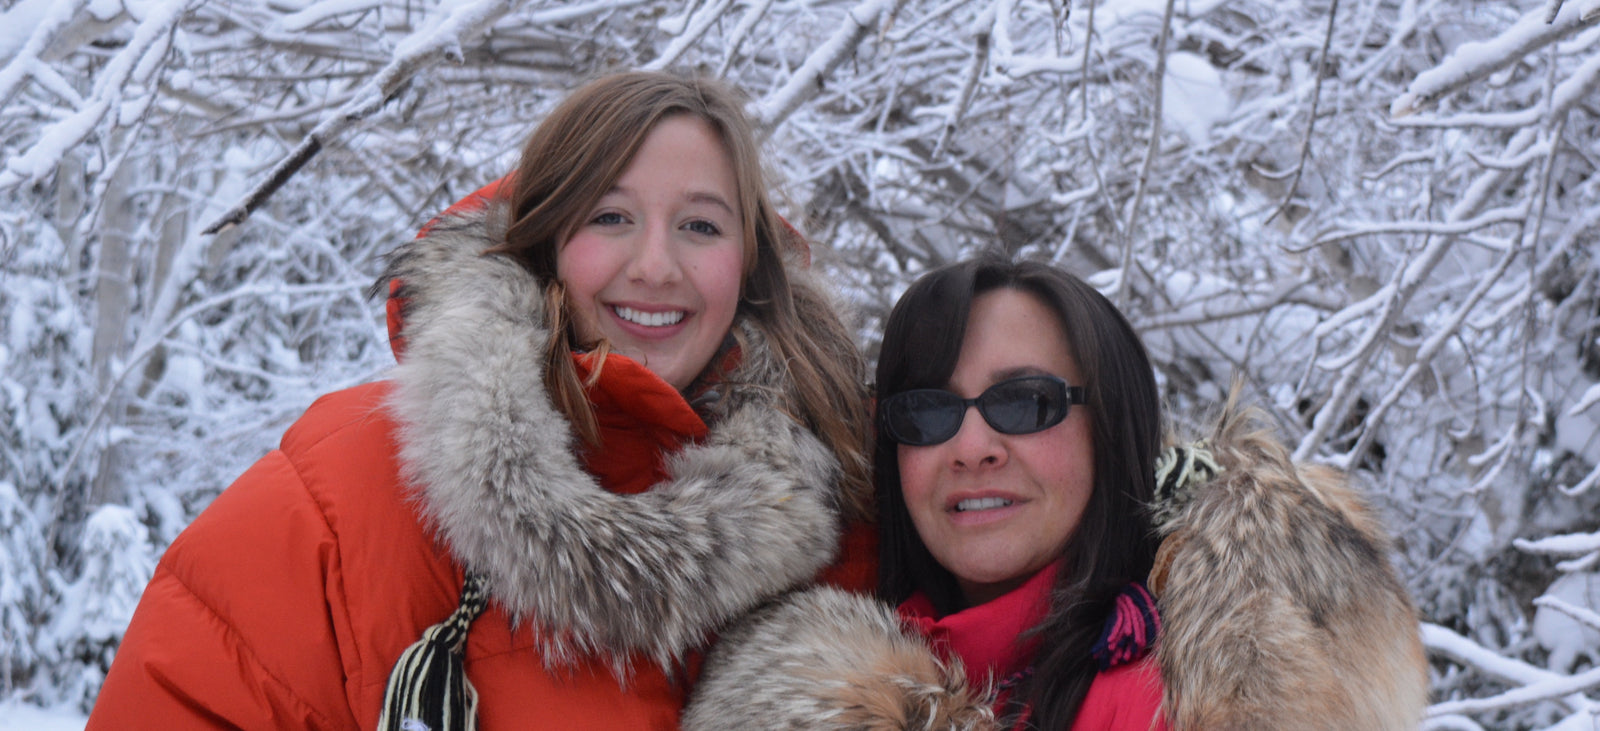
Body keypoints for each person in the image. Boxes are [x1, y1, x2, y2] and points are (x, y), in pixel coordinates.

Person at [88, 71, 877, 730]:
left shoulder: (851, 504)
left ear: (749, 263)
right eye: (610, 216)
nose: (656, 264)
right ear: (547, 238)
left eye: (702, 226)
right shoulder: (339, 492)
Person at [685, 255, 1165, 730]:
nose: (971, 449)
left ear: (1113, 428)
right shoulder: (823, 686)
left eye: (1026, 401)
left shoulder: (1184, 695)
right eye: (927, 410)